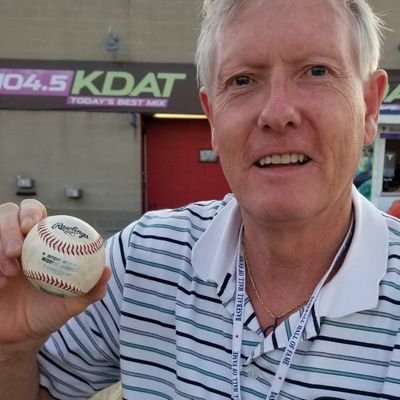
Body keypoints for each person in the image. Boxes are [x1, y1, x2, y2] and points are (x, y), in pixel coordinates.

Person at [0, 0, 397, 399]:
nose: (278, 113)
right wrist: (11, 348)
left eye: (316, 71)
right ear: (212, 117)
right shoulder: (141, 259)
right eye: (243, 80)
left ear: (369, 106)